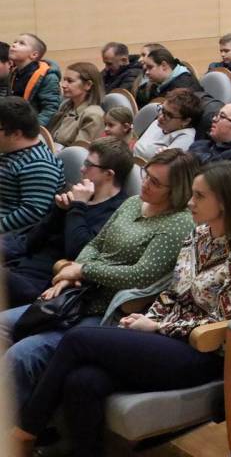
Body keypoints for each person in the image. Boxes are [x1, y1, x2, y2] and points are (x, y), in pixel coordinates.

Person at [13, 162, 231, 455]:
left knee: (78, 339)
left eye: (199, 196)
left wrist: (158, 326)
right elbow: (172, 293)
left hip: (200, 352)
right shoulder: (199, 236)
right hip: (163, 336)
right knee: (83, 380)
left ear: (224, 202)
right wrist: (147, 317)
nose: (190, 202)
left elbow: (221, 323)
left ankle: (25, 432)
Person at [1, 148, 196, 411]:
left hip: (109, 308)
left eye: (156, 182)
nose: (146, 184)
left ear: (177, 190)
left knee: (22, 354)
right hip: (78, 293)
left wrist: (82, 271)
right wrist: (72, 273)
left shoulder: (179, 223)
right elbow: (94, 244)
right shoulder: (132, 203)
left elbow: (141, 275)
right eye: (146, 175)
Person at [2, 137, 131, 308]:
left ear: (108, 174)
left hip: (46, 283)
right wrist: (59, 210)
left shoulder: (116, 213)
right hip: (20, 265)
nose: (82, 169)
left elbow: (79, 254)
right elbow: (32, 240)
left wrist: (78, 207)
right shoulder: (78, 194)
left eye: (89, 165)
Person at [0, 98, 64, 234]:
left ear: (16, 134)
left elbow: (32, 212)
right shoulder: (11, 151)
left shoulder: (39, 164)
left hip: (9, 237)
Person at [6, 34, 62, 126]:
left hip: (32, 128)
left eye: (22, 43)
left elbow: (50, 109)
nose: (14, 45)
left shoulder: (48, 76)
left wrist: (33, 129)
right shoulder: (14, 72)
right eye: (15, 42)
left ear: (34, 54)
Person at [46, 62, 105, 149]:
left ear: (88, 85)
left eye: (70, 81)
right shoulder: (66, 106)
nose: (63, 85)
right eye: (64, 80)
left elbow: (78, 152)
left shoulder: (93, 115)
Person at [133, 87, 201, 160]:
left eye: (169, 115)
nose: (160, 117)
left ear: (186, 121)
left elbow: (163, 165)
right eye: (162, 109)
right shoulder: (161, 122)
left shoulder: (185, 139)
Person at [188, 102, 231, 170]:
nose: (214, 119)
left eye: (222, 116)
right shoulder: (201, 144)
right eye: (216, 115)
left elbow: (214, 175)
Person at [135, 47, 203, 108]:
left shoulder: (182, 89)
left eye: (150, 67)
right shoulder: (159, 83)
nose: (146, 72)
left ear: (164, 65)